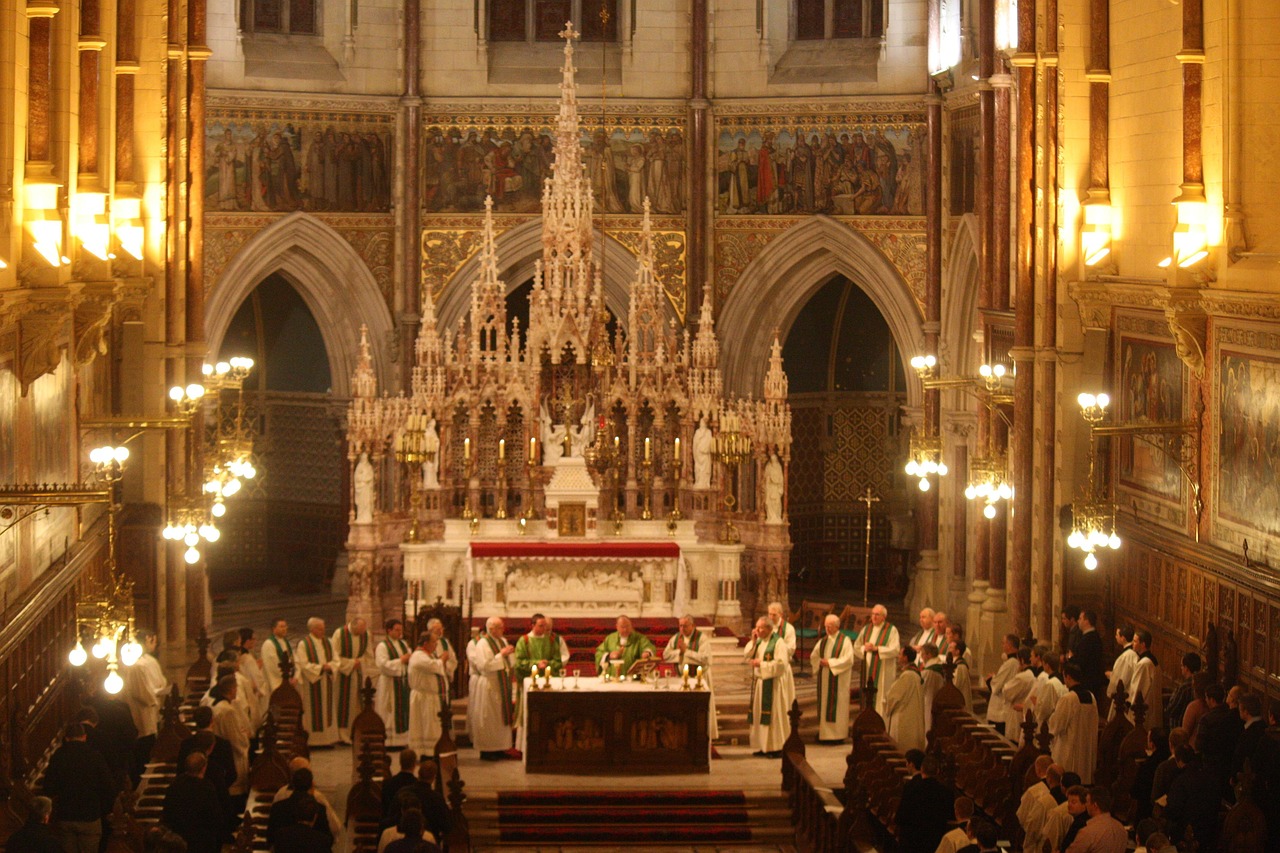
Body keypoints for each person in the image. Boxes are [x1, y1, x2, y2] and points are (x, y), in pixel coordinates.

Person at [40, 723, 115, 853]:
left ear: (66, 738)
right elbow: (108, 786)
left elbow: (48, 788)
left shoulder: (58, 756)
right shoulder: (95, 756)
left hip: (66, 815)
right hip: (90, 815)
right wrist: (105, 810)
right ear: (84, 737)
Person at [124, 629, 170, 785]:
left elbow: (160, 683)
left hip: (151, 712)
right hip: (142, 715)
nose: (155, 645)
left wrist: (159, 692)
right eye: (152, 641)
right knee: (143, 750)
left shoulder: (148, 661)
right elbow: (143, 693)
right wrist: (155, 698)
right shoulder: (136, 666)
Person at [467, 616, 517, 761]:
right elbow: (484, 665)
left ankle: (501, 747)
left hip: (501, 683)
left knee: (500, 718)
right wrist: (502, 655)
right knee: (489, 718)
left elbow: (509, 661)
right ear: (491, 628)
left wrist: (509, 654)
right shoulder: (483, 643)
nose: (503, 629)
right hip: (490, 684)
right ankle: (487, 750)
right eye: (500, 627)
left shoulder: (502, 641)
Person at [744, 615, 794, 757]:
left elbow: (781, 664)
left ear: (769, 628)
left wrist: (761, 664)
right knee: (760, 715)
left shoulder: (778, 643)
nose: (757, 630)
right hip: (761, 684)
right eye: (756, 627)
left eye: (760, 627)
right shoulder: (759, 641)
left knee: (774, 717)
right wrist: (753, 641)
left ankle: (776, 748)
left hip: (773, 685)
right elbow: (747, 655)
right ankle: (763, 747)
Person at [662, 615, 718, 739]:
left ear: (693, 626)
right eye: (680, 625)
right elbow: (666, 655)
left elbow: (706, 659)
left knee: (700, 709)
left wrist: (687, 652)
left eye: (685, 626)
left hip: (699, 678)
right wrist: (679, 652)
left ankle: (702, 735)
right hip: (682, 678)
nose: (682, 628)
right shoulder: (676, 638)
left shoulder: (702, 639)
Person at [161, 752, 228, 853]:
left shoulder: (175, 784)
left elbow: (167, 811)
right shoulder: (206, 787)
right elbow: (215, 816)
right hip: (201, 840)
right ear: (204, 768)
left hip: (179, 837)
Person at [208, 675, 251, 815]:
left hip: (224, 755)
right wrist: (245, 737)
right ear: (232, 689)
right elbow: (236, 740)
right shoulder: (228, 711)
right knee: (236, 797)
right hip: (233, 757)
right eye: (236, 688)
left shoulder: (217, 705)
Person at [1049, 664, 1099, 784]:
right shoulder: (1092, 697)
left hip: (1070, 750)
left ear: (1068, 677)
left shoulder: (1068, 698)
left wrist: (1051, 716)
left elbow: (1056, 726)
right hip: (1086, 751)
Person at [1164, 746, 1220, 851]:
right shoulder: (1209, 777)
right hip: (1209, 833)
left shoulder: (1180, 781)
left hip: (1185, 836)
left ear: (1178, 761)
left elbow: (1173, 810)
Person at [295, 617, 341, 746]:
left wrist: (331, 667)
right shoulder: (304, 644)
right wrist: (321, 668)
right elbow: (303, 664)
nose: (323, 631)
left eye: (323, 628)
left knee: (327, 710)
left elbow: (336, 660)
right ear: (312, 629)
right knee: (314, 711)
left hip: (327, 681)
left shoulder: (329, 642)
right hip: (313, 683)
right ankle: (314, 741)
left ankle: (328, 739)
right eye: (320, 629)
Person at [897, 751, 954, 853]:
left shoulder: (911, 788)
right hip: (934, 841)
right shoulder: (946, 792)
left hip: (912, 841)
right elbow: (949, 816)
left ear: (922, 769)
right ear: (938, 771)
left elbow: (902, 815)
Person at [408, 631, 454, 756]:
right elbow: (433, 666)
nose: (436, 644)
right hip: (424, 698)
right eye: (434, 642)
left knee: (433, 727)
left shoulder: (429, 654)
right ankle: (426, 753)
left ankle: (434, 751)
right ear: (425, 643)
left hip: (432, 698)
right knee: (427, 727)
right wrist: (442, 659)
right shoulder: (418, 656)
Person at [271, 760, 342, 840]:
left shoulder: (280, 794)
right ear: (310, 781)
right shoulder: (317, 798)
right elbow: (335, 828)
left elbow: (272, 834)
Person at [811, 613, 854, 743]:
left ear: (837, 626)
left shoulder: (845, 641)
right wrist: (819, 662)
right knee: (825, 705)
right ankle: (825, 735)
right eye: (825, 626)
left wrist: (830, 663)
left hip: (838, 680)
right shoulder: (823, 641)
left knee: (837, 706)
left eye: (830, 626)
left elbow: (848, 660)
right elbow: (814, 655)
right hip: (825, 679)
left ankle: (837, 736)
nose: (827, 629)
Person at [332, 617, 376, 743]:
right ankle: (342, 735)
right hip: (343, 676)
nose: (361, 634)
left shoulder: (365, 634)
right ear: (352, 626)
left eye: (363, 631)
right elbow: (334, 656)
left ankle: (355, 732)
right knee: (344, 705)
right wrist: (351, 663)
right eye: (358, 632)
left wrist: (362, 663)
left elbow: (368, 655)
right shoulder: (339, 634)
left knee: (356, 704)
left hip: (358, 674)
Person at [854, 603, 901, 716]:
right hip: (868, 667)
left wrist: (876, 649)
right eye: (873, 614)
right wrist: (864, 648)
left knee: (881, 696)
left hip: (883, 669)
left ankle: (881, 720)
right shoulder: (866, 629)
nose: (874, 617)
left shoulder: (891, 630)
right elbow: (856, 646)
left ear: (884, 617)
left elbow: (895, 650)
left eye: (877, 615)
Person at [376, 619, 414, 748]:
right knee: (389, 710)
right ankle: (388, 742)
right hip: (389, 683)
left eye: (401, 630)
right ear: (389, 630)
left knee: (403, 711)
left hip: (402, 683)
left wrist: (409, 660)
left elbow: (411, 659)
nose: (400, 633)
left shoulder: (403, 644)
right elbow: (382, 665)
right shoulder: (382, 646)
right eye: (397, 630)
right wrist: (401, 660)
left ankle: (402, 741)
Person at [1195, 682, 1239, 787]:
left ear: (1212, 700)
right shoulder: (1231, 715)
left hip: (1210, 765)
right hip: (1227, 764)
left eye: (1206, 698)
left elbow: (1199, 745)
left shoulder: (1206, 719)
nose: (1205, 700)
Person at [883, 647, 926, 752]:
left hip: (905, 715)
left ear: (906, 658)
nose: (898, 656)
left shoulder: (907, 675)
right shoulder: (915, 673)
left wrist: (886, 702)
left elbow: (894, 696)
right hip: (912, 713)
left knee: (903, 746)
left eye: (900, 655)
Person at [1064, 787, 1126, 853]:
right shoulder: (1121, 828)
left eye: (1087, 802)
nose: (1086, 805)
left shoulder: (1087, 832)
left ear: (1095, 805)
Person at [1018, 755, 1059, 853]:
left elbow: (1022, 816)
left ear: (1038, 770)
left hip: (1037, 843)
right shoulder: (1063, 792)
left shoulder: (1033, 791)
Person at [514, 614, 568, 680]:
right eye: (541, 626)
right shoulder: (524, 641)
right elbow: (519, 662)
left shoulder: (551, 641)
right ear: (533, 626)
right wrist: (536, 664)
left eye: (545, 625)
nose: (544, 628)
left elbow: (558, 661)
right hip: (530, 678)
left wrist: (548, 663)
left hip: (548, 678)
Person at [1131, 728, 1169, 821]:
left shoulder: (1149, 765)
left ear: (1152, 744)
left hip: (1148, 810)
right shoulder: (1170, 760)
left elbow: (1136, 790)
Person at [986, 633, 1020, 737]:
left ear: (1009, 645)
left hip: (1000, 710)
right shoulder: (1011, 662)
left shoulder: (1011, 663)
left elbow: (997, 686)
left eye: (1003, 643)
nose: (1002, 645)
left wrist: (991, 679)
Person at [1126, 630, 1161, 729]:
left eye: (1135, 641)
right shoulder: (1151, 660)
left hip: (1142, 712)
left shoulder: (1144, 664)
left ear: (1143, 644)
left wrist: (1129, 705)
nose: (1132, 643)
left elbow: (1138, 688)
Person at [1002, 646, 1037, 744]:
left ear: (1021, 660)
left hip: (1017, 714)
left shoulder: (1022, 677)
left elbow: (1006, 691)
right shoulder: (1033, 675)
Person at [1042, 781, 1088, 853]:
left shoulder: (1081, 823)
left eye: (1073, 802)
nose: (1069, 805)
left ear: (1084, 804)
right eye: (1068, 801)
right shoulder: (1077, 821)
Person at [1104, 625, 1137, 719]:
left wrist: (1111, 676)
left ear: (1123, 638)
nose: (1115, 637)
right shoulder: (1130, 654)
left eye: (1117, 635)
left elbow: (1122, 678)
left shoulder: (1127, 656)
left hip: (1122, 697)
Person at [1073, 611, 1105, 700]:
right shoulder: (1088, 637)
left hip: (1088, 681)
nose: (1078, 621)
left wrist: (1071, 658)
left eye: (1080, 618)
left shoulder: (1090, 638)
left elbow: (1083, 661)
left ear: (1086, 621)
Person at [1164, 652, 1201, 728]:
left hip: (1179, 727)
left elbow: (1172, 710)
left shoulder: (1184, 688)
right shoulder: (1201, 684)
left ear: (1186, 668)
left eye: (1181, 666)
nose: (1181, 668)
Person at [381, 749, 419, 823]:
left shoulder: (388, 783)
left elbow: (384, 808)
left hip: (391, 823)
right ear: (414, 764)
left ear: (400, 762)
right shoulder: (418, 785)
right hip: (413, 824)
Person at [262, 617, 293, 694]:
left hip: (287, 680)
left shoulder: (285, 641)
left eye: (285, 626)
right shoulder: (269, 644)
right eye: (281, 627)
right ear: (274, 628)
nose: (284, 629)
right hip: (277, 681)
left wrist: (293, 675)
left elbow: (291, 659)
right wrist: (287, 678)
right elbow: (273, 666)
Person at [919, 643, 945, 733]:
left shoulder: (929, 671)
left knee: (928, 724)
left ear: (929, 655)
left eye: (922, 654)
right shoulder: (940, 666)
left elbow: (921, 689)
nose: (921, 657)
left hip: (928, 701)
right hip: (938, 700)